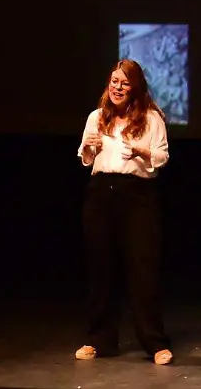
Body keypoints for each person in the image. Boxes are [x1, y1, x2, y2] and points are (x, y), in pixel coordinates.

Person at [74, 61, 174, 366]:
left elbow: (162, 156)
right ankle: (99, 339)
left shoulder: (151, 119)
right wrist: (89, 147)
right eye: (113, 81)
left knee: (142, 269)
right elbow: (86, 158)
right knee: (102, 268)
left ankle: (155, 343)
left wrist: (142, 152)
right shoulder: (96, 118)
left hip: (137, 195)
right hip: (102, 193)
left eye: (124, 83)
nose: (117, 87)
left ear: (136, 87)